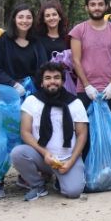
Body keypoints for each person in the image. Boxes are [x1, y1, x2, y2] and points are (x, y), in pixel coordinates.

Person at [0, 4, 49, 198]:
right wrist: (13, 84)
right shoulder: (3, 42)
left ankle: (26, 176)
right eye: (21, 17)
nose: (25, 20)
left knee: (30, 135)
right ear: (14, 19)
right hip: (8, 97)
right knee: (6, 138)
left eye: (28, 17)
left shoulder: (36, 42)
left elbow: (43, 68)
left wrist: (36, 88)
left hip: (31, 97)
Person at [12, 61, 89, 200]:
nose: (52, 81)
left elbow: (82, 134)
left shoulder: (75, 103)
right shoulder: (31, 101)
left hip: (67, 158)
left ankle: (61, 180)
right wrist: (45, 153)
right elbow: (25, 132)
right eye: (48, 78)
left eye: (56, 77)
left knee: (73, 192)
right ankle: (38, 185)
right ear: (41, 83)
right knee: (18, 153)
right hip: (42, 157)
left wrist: (71, 161)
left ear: (63, 81)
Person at [69, 0, 111, 120]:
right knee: (86, 130)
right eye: (92, 5)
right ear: (86, 8)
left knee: (110, 128)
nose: (96, 8)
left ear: (106, 7)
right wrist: (87, 85)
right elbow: (76, 60)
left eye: (100, 4)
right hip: (85, 90)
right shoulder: (78, 30)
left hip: (110, 90)